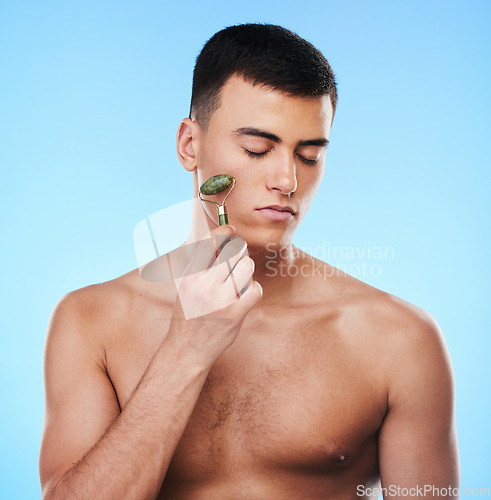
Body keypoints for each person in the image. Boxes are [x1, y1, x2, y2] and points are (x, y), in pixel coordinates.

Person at [39, 24, 459, 499]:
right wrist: (186, 350)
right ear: (188, 146)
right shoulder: (90, 323)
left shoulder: (399, 339)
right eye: (257, 149)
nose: (287, 179)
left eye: (309, 156)